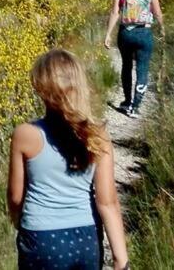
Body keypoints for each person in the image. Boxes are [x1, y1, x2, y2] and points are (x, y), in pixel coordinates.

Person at [7, 49, 129, 270]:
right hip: (86, 237)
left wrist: (18, 221)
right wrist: (121, 259)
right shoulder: (98, 136)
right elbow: (108, 202)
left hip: (40, 238)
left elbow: (16, 198)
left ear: (41, 89)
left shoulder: (25, 135)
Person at [103, 0, 163, 117]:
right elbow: (157, 13)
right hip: (144, 33)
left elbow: (115, 12)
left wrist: (108, 34)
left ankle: (127, 101)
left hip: (126, 33)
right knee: (142, 69)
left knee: (127, 66)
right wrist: (163, 27)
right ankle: (135, 107)